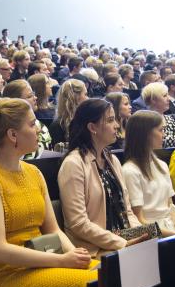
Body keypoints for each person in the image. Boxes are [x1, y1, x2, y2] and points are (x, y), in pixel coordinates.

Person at [0, 98, 98, 287]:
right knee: (92, 285)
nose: (38, 129)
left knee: (106, 274)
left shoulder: (33, 172)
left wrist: (74, 256)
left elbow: (53, 230)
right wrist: (61, 261)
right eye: (32, 123)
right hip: (3, 277)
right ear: (13, 135)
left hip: (40, 264)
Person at [58, 99, 145, 256]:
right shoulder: (74, 164)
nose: (117, 125)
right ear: (92, 127)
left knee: (164, 246)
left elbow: (127, 211)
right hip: (94, 247)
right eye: (111, 120)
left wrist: (141, 234)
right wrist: (122, 243)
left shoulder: (112, 159)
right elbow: (78, 223)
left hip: (121, 238)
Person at [122, 111, 175, 236]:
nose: (164, 135)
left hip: (169, 228)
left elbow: (171, 209)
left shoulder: (161, 165)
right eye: (161, 130)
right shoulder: (130, 171)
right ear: (145, 134)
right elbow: (139, 220)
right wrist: (174, 236)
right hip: (150, 235)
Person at [2, 79, 51, 159]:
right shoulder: (6, 129)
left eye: (33, 94)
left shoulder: (42, 126)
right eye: (29, 96)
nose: (35, 98)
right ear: (15, 101)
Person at [49, 78, 88, 146]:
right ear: (76, 97)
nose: (88, 98)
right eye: (85, 94)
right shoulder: (58, 126)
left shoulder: (89, 119)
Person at [141, 82, 175, 149]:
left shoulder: (170, 119)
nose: (168, 99)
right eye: (164, 96)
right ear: (153, 100)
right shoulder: (145, 121)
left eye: (168, 95)